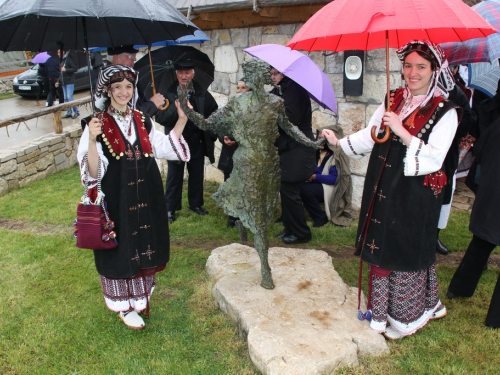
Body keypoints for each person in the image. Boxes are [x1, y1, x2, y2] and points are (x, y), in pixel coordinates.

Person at [322, 40, 461, 340]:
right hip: (384, 184)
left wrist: (401, 130)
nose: (412, 73)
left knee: (405, 246)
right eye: (408, 65)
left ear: (434, 70)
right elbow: (372, 134)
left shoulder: (446, 111)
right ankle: (380, 314)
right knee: (381, 242)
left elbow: (436, 157)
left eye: (421, 67)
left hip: (415, 192)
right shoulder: (394, 98)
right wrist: (339, 143)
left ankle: (405, 317)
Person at [177, 58, 322, 289]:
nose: (252, 77)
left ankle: (244, 225)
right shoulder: (239, 102)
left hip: (271, 162)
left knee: (265, 207)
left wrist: (311, 142)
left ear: (263, 78)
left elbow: (290, 128)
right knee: (259, 216)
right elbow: (208, 123)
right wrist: (187, 109)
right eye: (250, 73)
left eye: (257, 73)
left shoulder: (276, 102)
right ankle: (265, 268)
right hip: (247, 161)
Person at [77, 65, 191, 330]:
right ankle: (125, 307)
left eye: (128, 87)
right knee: (122, 246)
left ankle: (140, 299)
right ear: (108, 90)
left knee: (144, 243)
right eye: (117, 87)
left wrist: (182, 119)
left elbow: (161, 147)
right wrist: (93, 140)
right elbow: (92, 173)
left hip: (147, 194)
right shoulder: (96, 123)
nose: (124, 92)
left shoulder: (142, 118)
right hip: (118, 197)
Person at [447, 118, 500, 329]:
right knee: (481, 243)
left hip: (492, 192)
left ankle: (459, 288)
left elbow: (480, 150)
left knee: (481, 244)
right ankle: (496, 319)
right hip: (493, 191)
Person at [155, 59, 218, 223]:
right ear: (176, 74)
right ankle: (170, 208)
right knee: (174, 175)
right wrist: (178, 111)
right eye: (181, 73)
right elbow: (161, 117)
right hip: (176, 141)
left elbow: (213, 111)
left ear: (193, 73)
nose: (184, 76)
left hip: (196, 140)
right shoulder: (168, 92)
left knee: (196, 174)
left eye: (187, 72)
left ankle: (195, 204)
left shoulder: (201, 91)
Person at [270, 66, 316, 244]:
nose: (273, 77)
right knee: (286, 189)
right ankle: (290, 227)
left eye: (276, 73)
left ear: (286, 72)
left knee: (290, 190)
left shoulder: (295, 90)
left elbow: (290, 119)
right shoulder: (281, 89)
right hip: (288, 148)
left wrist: (270, 114)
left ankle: (301, 233)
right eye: (271, 73)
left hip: (298, 148)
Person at [300, 125, 354, 228]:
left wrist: (315, 177)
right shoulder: (315, 152)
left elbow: (334, 179)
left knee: (306, 190)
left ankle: (320, 217)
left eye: (324, 138)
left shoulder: (335, 156)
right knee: (294, 185)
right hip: (315, 184)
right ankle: (293, 216)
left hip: (329, 187)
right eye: (319, 138)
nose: (321, 141)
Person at [217, 78, 250, 228]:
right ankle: (232, 216)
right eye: (238, 88)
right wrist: (223, 138)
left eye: (243, 88)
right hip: (229, 155)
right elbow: (220, 127)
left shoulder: (255, 110)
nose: (239, 91)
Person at [106, 45, 166, 117]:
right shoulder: (109, 80)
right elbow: (126, 116)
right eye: (130, 56)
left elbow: (138, 103)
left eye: (134, 55)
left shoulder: (128, 75)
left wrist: (153, 103)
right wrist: (152, 104)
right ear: (116, 58)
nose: (134, 59)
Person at [59, 50, 80, 119]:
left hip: (69, 81)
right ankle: (69, 112)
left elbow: (74, 69)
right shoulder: (61, 60)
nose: (58, 54)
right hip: (63, 81)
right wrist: (58, 81)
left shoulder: (68, 59)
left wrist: (66, 70)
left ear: (63, 52)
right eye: (58, 52)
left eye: (59, 52)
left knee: (69, 97)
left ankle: (76, 112)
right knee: (65, 98)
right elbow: (60, 72)